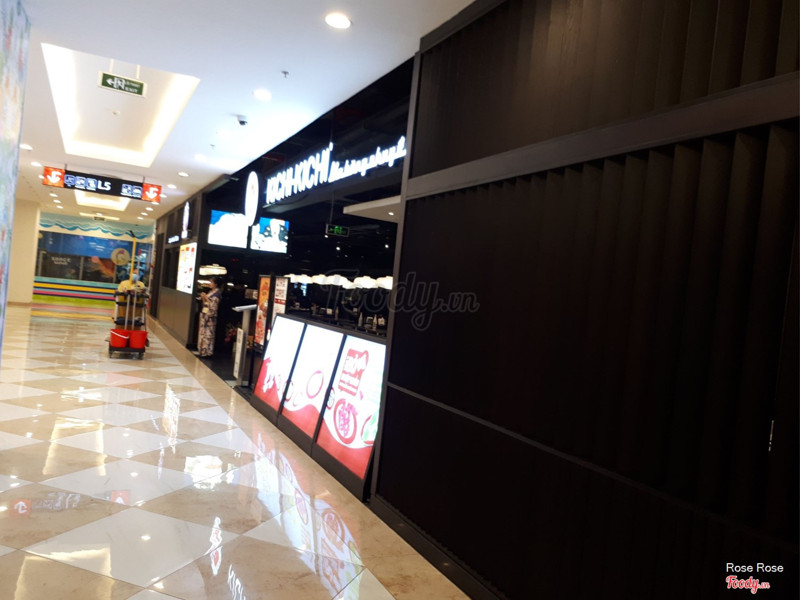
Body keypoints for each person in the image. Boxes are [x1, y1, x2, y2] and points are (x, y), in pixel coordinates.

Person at [198, 276, 221, 357]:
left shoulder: (217, 294)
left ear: (216, 284)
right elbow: (205, 303)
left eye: (211, 282)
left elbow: (213, 307)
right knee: (203, 334)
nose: (210, 284)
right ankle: (202, 350)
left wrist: (206, 298)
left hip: (210, 318)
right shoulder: (211, 292)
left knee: (208, 335)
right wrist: (203, 298)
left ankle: (207, 352)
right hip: (205, 314)